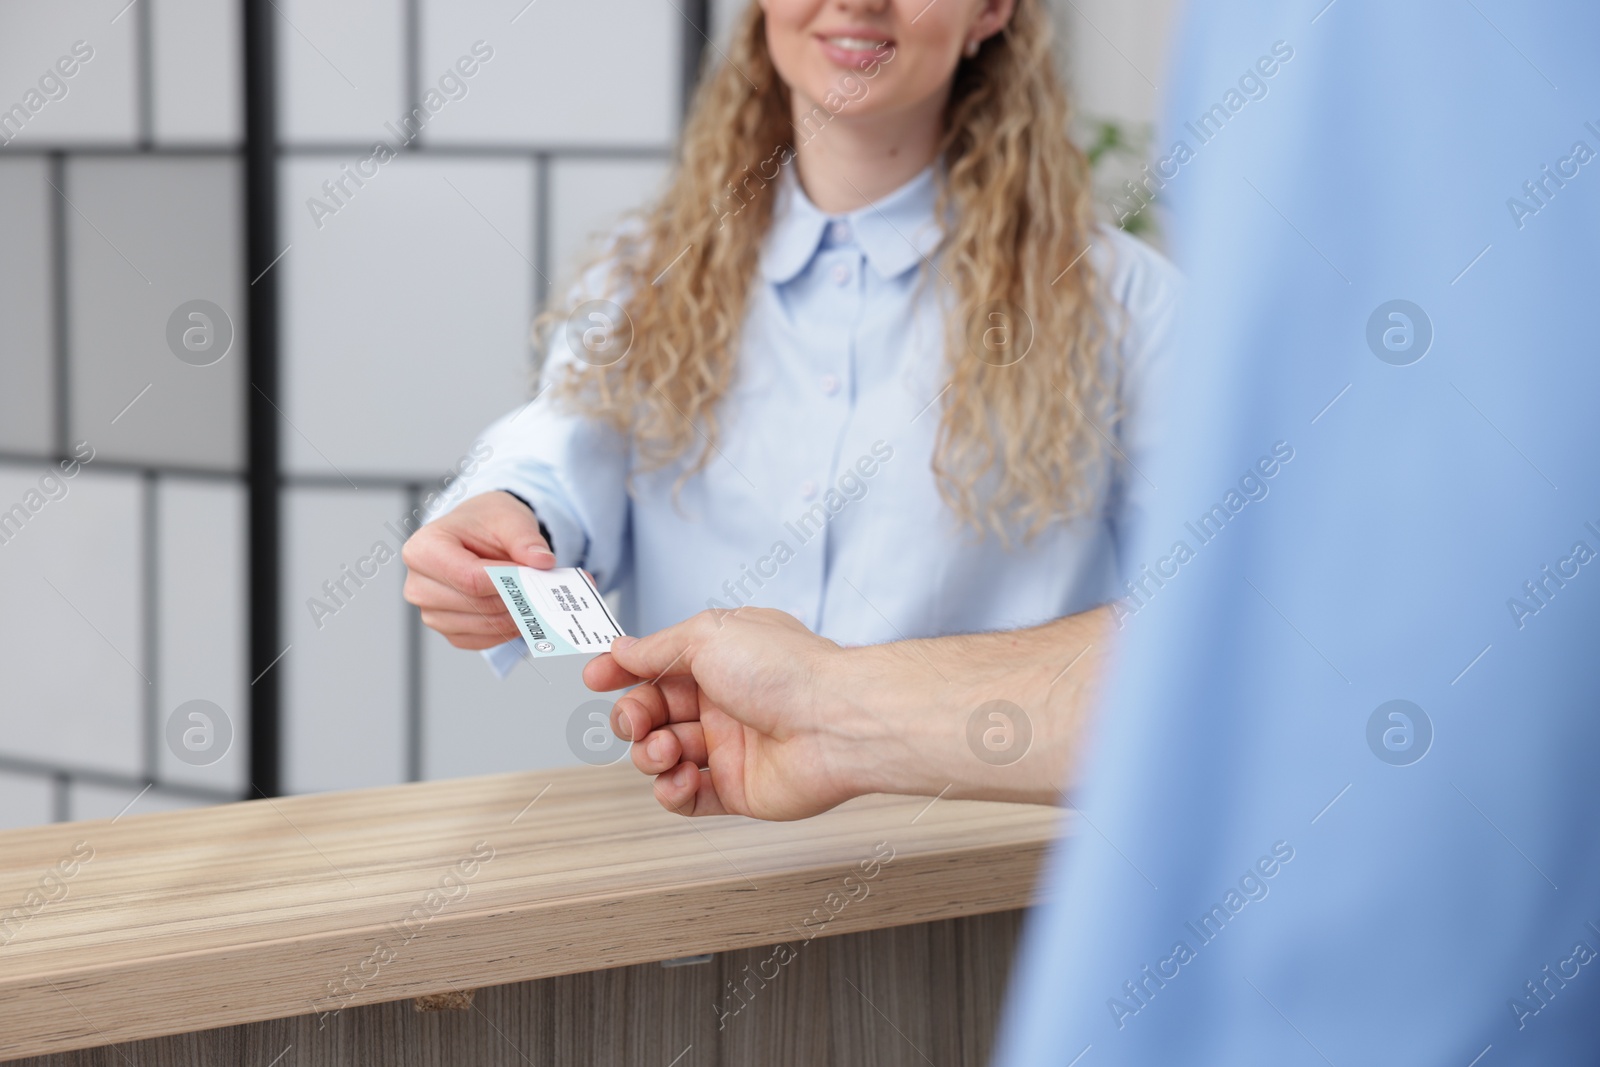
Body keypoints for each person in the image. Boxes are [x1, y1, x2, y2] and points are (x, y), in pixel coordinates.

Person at [588, 1, 1600, 1062]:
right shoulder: (643, 272)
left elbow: (1316, 642)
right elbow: (1276, 635)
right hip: (717, 900)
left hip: (988, 921)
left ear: (994, 14)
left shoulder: (1134, 284)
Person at [401, 0, 1178, 691]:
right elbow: (562, 454)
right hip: (702, 832)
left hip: (986, 846)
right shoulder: (646, 276)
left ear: (991, 11)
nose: (859, 3)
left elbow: (1206, 604)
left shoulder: (1127, 302)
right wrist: (509, 519)